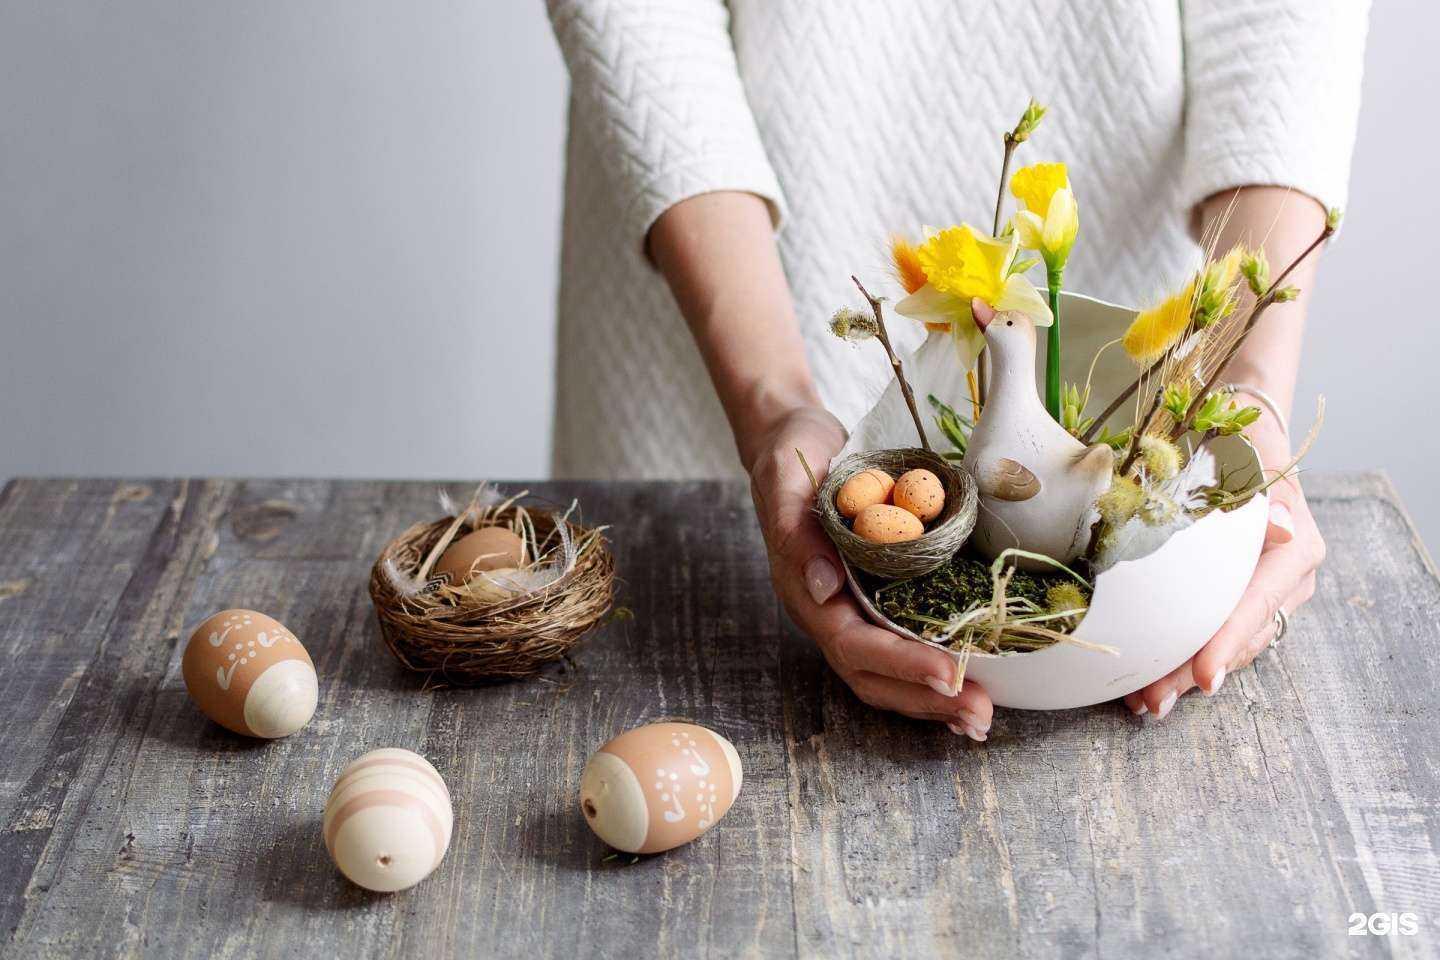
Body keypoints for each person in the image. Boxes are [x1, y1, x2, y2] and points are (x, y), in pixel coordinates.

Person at [545, 1, 1370, 739]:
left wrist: (1246, 387)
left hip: (1140, 321)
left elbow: (1285, 21)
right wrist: (773, 407)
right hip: (720, 272)